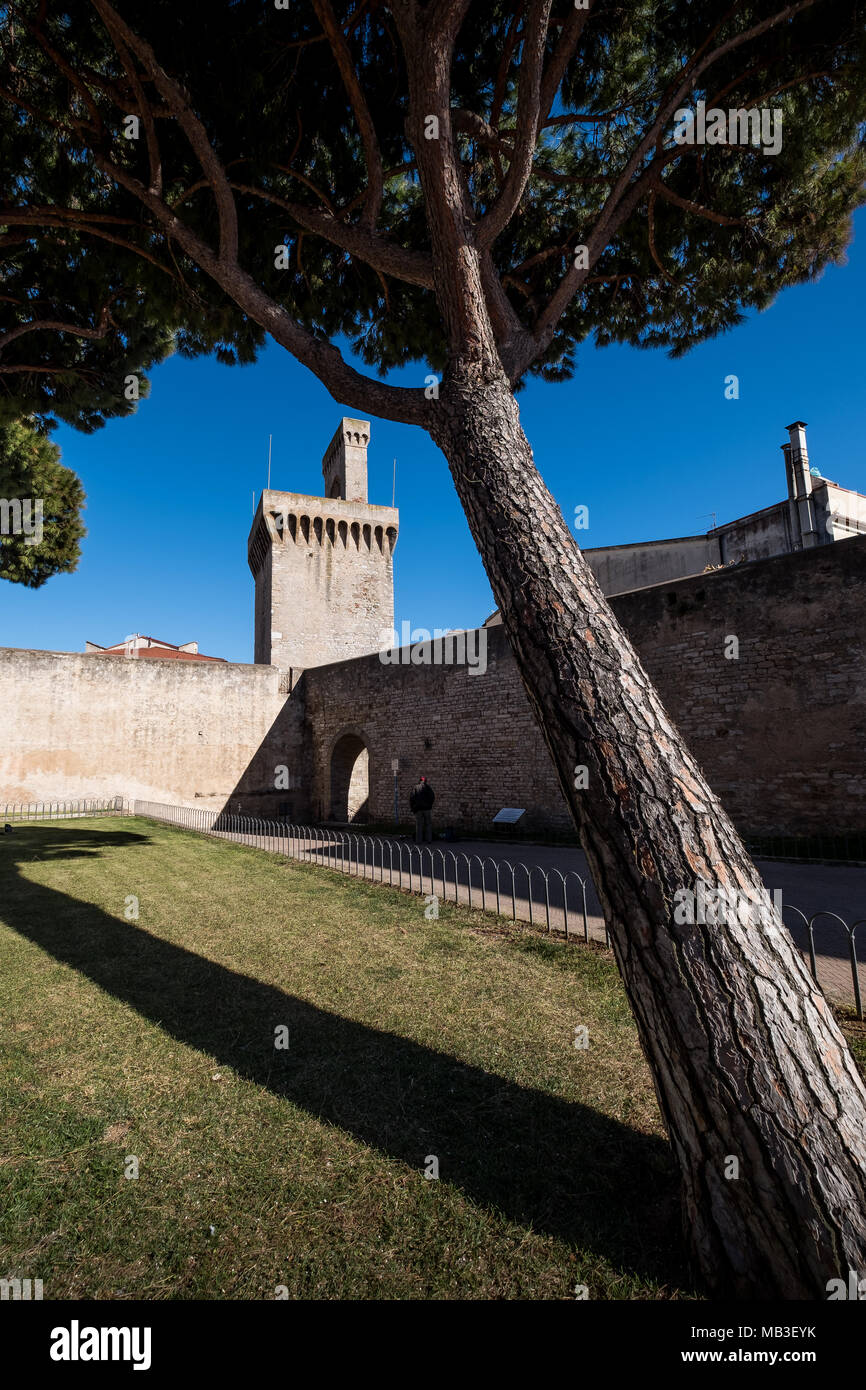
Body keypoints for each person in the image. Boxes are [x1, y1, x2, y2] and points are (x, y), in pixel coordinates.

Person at [409, 774, 435, 844]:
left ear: (420, 780)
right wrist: (430, 805)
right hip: (427, 809)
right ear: (425, 781)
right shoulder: (428, 788)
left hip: (418, 809)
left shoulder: (415, 788)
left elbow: (412, 798)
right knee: (428, 824)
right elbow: (432, 797)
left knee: (418, 825)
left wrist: (412, 808)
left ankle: (418, 841)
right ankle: (429, 839)